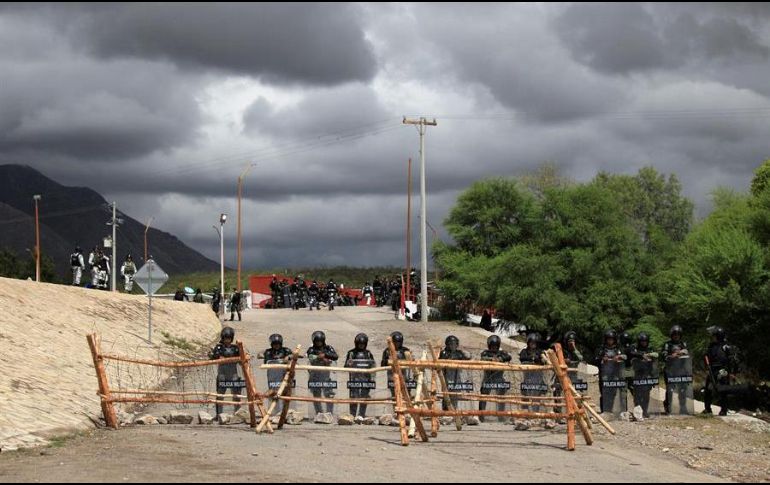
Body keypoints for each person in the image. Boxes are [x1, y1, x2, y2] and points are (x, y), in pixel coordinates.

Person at [703, 327, 740, 416]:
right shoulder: (711, 346)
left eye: (714, 336)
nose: (713, 337)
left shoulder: (726, 346)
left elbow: (734, 360)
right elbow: (706, 356)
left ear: (718, 336)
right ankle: (707, 409)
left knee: (723, 390)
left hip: (723, 370)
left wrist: (733, 373)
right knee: (708, 389)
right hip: (712, 370)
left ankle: (724, 410)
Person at [209, 327, 242, 417]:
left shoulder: (235, 348)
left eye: (229, 338)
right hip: (222, 374)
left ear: (232, 338)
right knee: (220, 394)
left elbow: (241, 360)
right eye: (225, 338)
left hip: (233, 374)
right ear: (223, 338)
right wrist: (216, 356)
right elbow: (213, 357)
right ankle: (219, 414)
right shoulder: (219, 347)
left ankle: (238, 414)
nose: (227, 340)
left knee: (236, 394)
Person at [479, 335, 512, 422]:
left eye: (496, 346)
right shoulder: (485, 353)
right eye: (492, 346)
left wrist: (500, 358)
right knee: (483, 396)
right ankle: (481, 415)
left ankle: (501, 415)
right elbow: (483, 359)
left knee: (501, 396)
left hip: (499, 377)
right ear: (489, 345)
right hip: (488, 377)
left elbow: (509, 357)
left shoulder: (502, 353)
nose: (494, 348)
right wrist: (491, 360)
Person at [553, 331, 583, 422]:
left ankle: (575, 414)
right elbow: (554, 360)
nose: (571, 342)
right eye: (569, 341)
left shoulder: (576, 350)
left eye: (573, 340)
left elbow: (581, 358)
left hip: (573, 376)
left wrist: (574, 348)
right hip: (561, 376)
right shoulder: (560, 349)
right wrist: (563, 361)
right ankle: (559, 415)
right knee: (557, 393)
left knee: (574, 395)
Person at [595, 330, 627, 414]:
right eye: (608, 339)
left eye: (612, 339)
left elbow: (626, 356)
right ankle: (605, 411)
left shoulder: (618, 348)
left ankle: (613, 410)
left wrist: (619, 356)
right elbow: (595, 358)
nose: (610, 341)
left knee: (613, 392)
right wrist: (602, 358)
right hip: (605, 374)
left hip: (616, 373)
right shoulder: (601, 349)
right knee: (605, 392)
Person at [661, 325, 690, 415]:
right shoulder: (667, 344)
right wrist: (672, 355)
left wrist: (683, 352)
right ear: (671, 335)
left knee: (682, 389)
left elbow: (688, 353)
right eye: (674, 334)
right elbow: (664, 355)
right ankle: (668, 407)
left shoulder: (683, 344)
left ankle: (683, 408)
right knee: (670, 389)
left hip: (681, 369)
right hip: (670, 370)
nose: (676, 336)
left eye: (678, 334)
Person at [307, 331, 338, 415]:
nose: (319, 343)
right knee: (316, 395)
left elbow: (335, 356)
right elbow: (311, 357)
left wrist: (324, 355)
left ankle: (329, 413)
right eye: (317, 341)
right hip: (315, 376)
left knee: (329, 394)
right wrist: (320, 358)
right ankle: (318, 413)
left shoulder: (328, 348)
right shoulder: (311, 349)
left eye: (320, 341)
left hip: (326, 376)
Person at [628, 332, 658, 418]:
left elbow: (656, 355)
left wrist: (649, 355)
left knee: (646, 394)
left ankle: (645, 411)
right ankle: (638, 411)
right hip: (638, 374)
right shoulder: (635, 348)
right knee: (637, 394)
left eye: (645, 341)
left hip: (647, 374)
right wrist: (641, 356)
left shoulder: (650, 349)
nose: (644, 343)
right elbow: (630, 352)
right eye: (642, 341)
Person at [344, 333, 376, 417]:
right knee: (354, 396)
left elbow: (373, 364)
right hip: (354, 379)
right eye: (359, 344)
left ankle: (362, 415)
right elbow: (345, 366)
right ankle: (352, 415)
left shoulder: (368, 353)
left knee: (364, 397)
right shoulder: (351, 353)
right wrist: (349, 363)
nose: (361, 346)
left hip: (366, 379)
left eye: (363, 344)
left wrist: (371, 367)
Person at [263, 334, 294, 415]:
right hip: (273, 376)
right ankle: (275, 412)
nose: (276, 346)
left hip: (285, 376)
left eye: (278, 344)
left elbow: (295, 356)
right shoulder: (268, 352)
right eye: (274, 344)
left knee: (285, 392)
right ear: (271, 344)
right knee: (274, 393)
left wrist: (289, 357)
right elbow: (266, 362)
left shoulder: (286, 350)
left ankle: (285, 412)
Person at [439, 335, 471, 410]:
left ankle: (454, 410)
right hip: (447, 375)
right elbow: (442, 360)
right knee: (447, 393)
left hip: (457, 376)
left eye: (454, 344)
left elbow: (467, 358)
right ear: (447, 344)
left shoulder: (459, 353)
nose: (453, 346)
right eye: (451, 344)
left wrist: (466, 353)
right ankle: (445, 410)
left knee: (455, 393)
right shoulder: (444, 353)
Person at [381, 331, 413, 399]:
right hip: (392, 377)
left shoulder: (405, 350)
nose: (397, 344)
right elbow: (382, 364)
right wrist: (387, 360)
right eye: (395, 342)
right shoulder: (387, 351)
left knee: (406, 395)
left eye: (399, 342)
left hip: (404, 376)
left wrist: (410, 357)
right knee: (394, 396)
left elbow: (412, 363)